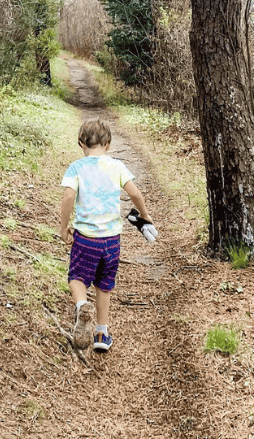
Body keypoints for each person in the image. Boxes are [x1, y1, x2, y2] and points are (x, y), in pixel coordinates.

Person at [59, 118, 154, 352]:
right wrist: (145, 215)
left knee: (77, 278)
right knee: (104, 285)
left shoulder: (77, 168)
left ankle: (82, 307)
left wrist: (63, 228)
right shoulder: (117, 166)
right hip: (112, 240)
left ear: (81, 143)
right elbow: (135, 193)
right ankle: (102, 333)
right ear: (108, 144)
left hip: (86, 238)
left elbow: (69, 197)